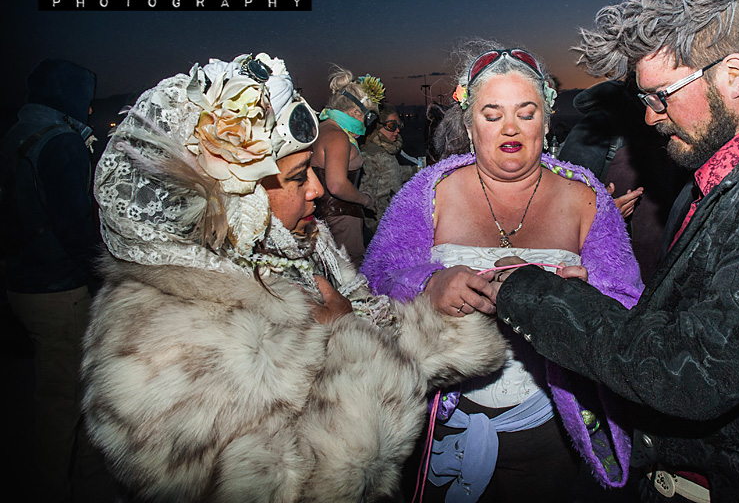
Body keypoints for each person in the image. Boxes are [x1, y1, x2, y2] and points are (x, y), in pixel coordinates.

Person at [490, 0, 739, 502]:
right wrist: (591, 296)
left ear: (733, 75)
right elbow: (699, 318)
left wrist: (529, 292)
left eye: (661, 96)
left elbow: (689, 370)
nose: (650, 118)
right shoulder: (732, 174)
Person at [81, 53, 508, 502]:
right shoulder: (160, 342)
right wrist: (348, 342)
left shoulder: (299, 246)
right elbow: (306, 486)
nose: (318, 190)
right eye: (300, 177)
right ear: (231, 197)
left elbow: (379, 328)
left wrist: (450, 308)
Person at [361, 40, 644, 502]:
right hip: (433, 426)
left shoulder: (587, 197)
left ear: (547, 121)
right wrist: (427, 286)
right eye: (492, 114)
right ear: (470, 125)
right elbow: (373, 283)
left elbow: (631, 304)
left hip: (548, 432)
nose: (510, 127)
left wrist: (588, 300)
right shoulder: (430, 191)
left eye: (526, 112)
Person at [1, 58, 106, 502]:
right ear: (70, 98)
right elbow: (74, 223)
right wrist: (103, 275)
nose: (87, 112)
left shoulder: (17, 133)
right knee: (63, 395)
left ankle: (86, 471)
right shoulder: (59, 140)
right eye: (84, 101)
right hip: (56, 287)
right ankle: (52, 487)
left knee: (66, 383)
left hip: (22, 280)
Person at [557, 79, 690, 281]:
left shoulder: (669, 123)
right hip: (614, 267)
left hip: (660, 262)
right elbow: (562, 199)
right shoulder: (596, 126)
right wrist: (605, 215)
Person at [309, 67, 381, 266]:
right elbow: (337, 184)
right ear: (355, 112)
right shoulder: (338, 137)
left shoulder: (320, 129)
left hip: (324, 216)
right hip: (341, 218)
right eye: (367, 118)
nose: (367, 127)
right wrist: (365, 200)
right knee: (351, 271)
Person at [359, 104, 418, 240]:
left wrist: (417, 170)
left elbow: (392, 173)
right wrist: (375, 226)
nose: (397, 130)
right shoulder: (370, 154)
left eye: (399, 125)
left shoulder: (386, 151)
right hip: (381, 228)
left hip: (395, 221)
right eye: (392, 126)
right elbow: (366, 195)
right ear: (378, 126)